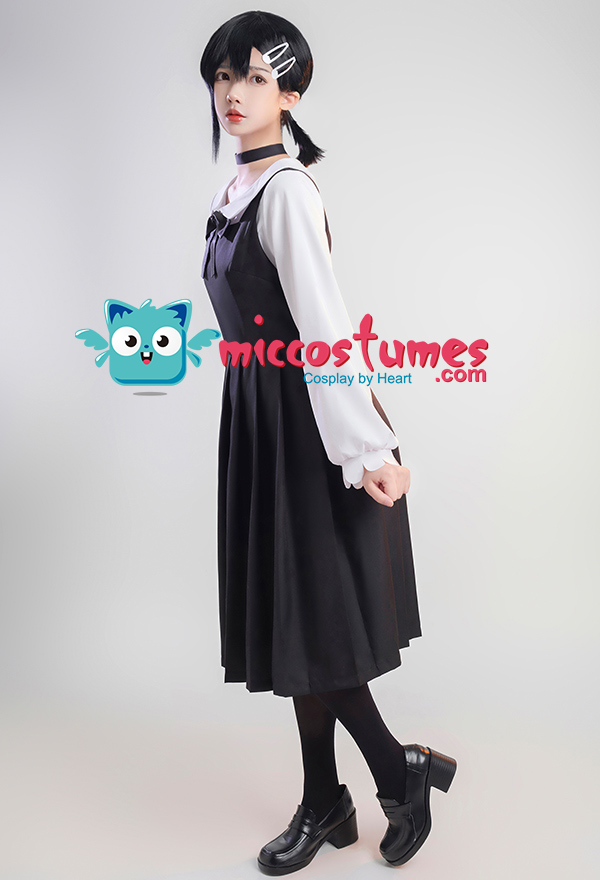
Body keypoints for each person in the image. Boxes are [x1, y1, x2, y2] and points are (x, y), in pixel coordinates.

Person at [199, 10, 457, 874]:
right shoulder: (235, 195)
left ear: (291, 94)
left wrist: (365, 451)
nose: (235, 93)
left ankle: (392, 773)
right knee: (294, 622)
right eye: (223, 76)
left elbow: (325, 332)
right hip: (259, 419)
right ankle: (329, 795)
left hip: (308, 426)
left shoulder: (286, 193)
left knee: (314, 622)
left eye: (256, 77)